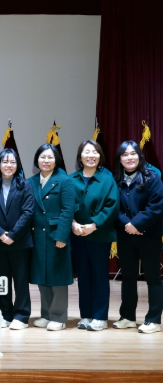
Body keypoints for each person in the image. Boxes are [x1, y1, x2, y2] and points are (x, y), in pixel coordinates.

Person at [113, 141, 163, 334]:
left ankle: (154, 320)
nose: (129, 157)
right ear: (120, 159)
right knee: (128, 277)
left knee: (153, 277)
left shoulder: (153, 176)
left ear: (140, 156)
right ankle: (127, 316)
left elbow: (156, 206)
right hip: (125, 235)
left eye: (133, 154)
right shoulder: (115, 179)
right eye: (125, 154)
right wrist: (128, 225)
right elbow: (113, 206)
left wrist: (137, 224)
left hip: (149, 235)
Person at [69, 140, 119, 332]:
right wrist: (73, 223)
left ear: (100, 156)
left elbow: (112, 206)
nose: (91, 155)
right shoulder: (71, 179)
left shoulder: (107, 179)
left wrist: (94, 224)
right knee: (83, 276)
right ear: (80, 156)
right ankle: (86, 314)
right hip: (77, 235)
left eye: (95, 152)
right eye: (86, 152)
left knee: (99, 276)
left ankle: (100, 317)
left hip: (100, 235)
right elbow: (65, 204)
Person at [29, 143, 75, 331]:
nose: (46, 161)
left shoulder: (64, 181)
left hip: (57, 234)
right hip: (37, 235)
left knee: (57, 276)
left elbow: (67, 210)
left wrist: (62, 236)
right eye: (42, 157)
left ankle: (59, 316)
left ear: (56, 160)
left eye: (50, 157)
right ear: (37, 160)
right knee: (42, 275)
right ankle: (46, 314)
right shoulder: (30, 181)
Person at [0, 148, 34, 330]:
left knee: (21, 280)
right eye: (5, 162)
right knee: (2, 281)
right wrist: (1, 233)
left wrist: (13, 235)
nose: (8, 165)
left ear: (18, 165)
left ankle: (21, 316)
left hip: (21, 241)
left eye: (12, 162)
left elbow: (28, 212)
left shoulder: (26, 185)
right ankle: (5, 314)